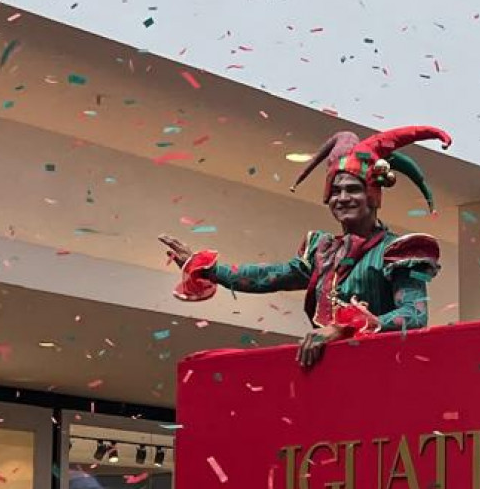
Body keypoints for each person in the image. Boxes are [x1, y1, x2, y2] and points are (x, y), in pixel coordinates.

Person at [164, 125, 449, 367]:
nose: (342, 198)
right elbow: (268, 276)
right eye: (335, 191)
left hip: (383, 372)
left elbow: (414, 315)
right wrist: (208, 269)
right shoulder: (321, 251)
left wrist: (344, 328)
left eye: (353, 189)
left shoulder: (397, 252)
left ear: (373, 195)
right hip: (326, 372)